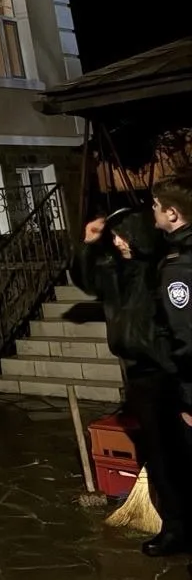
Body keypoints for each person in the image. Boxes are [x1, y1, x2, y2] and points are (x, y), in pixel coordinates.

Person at [71, 207, 190, 556]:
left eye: (123, 236)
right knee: (159, 456)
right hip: (140, 376)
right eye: (115, 237)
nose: (119, 242)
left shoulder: (161, 271)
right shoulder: (116, 273)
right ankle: (176, 527)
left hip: (168, 373)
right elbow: (86, 280)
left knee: (180, 454)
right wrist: (88, 244)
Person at [151, 173, 192, 558]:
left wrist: (188, 398)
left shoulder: (179, 267)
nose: (153, 211)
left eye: (156, 206)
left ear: (173, 214)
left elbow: (187, 338)